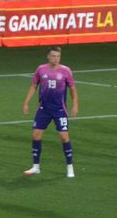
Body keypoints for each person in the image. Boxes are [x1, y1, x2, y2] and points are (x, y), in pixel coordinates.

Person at [22, 46, 78, 177]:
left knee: (64, 137)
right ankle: (36, 166)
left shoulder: (66, 71)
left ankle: (70, 167)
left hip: (59, 109)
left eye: (58, 56)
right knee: (36, 135)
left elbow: (73, 89)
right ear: (48, 56)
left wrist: (75, 105)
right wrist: (26, 103)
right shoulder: (41, 69)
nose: (55, 59)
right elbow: (34, 86)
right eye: (53, 56)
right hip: (44, 109)